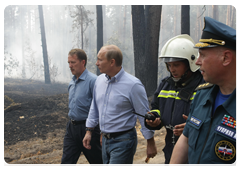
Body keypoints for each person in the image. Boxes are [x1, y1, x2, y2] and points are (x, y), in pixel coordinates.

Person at [169, 17, 238, 166]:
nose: (197, 61)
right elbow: (186, 138)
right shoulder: (202, 95)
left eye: (203, 55)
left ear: (226, 58)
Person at [82, 45, 157, 166]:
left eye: (100, 60)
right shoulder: (99, 81)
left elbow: (144, 115)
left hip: (124, 141)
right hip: (105, 141)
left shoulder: (133, 85)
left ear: (112, 62)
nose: (96, 63)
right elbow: (94, 108)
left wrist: (151, 142)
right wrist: (89, 131)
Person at [145, 34, 204, 166]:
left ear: (191, 63)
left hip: (194, 150)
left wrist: (193, 127)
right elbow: (156, 107)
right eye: (169, 65)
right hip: (170, 147)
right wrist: (154, 118)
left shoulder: (204, 86)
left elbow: (211, 119)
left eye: (176, 65)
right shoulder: (165, 84)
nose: (172, 70)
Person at [60, 49, 103, 166]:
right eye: (68, 62)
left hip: (89, 128)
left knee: (98, 163)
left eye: (73, 62)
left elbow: (101, 107)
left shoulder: (93, 81)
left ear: (83, 62)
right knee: (66, 163)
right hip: (72, 128)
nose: (70, 66)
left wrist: (101, 131)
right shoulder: (72, 82)